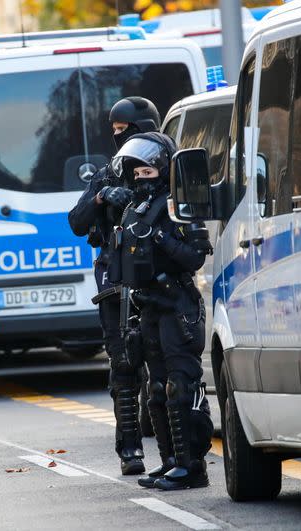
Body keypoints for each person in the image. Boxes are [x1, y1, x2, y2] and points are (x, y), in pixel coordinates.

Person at [109, 132, 213, 490]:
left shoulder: (178, 204)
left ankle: (192, 466)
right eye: (136, 174)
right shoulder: (132, 209)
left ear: (164, 171)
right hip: (149, 306)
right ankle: (170, 461)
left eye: (148, 173)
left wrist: (159, 237)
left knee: (179, 387)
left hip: (178, 306)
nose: (140, 179)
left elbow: (196, 257)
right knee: (155, 390)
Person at [68, 97, 161, 475]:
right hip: (116, 281)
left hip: (157, 277)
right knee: (124, 367)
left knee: (165, 368)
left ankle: (175, 457)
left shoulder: (164, 168)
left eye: (125, 131)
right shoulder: (108, 172)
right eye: (116, 132)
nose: (119, 138)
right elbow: (76, 220)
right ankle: (130, 450)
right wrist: (103, 195)